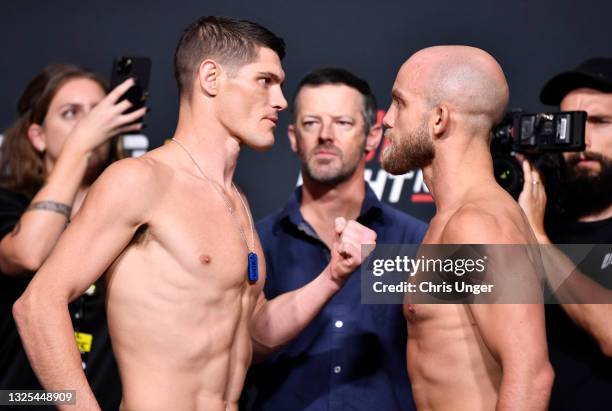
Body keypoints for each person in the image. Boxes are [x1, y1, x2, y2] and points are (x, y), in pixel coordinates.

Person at [13, 16, 376, 411]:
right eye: (265, 81)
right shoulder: (142, 180)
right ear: (211, 77)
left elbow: (253, 333)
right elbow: (37, 305)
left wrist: (331, 277)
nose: (281, 100)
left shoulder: (235, 199)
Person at [380, 45, 554, 410]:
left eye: (400, 103)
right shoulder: (449, 220)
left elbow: (532, 376)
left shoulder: (477, 224)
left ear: (439, 118)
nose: (387, 119)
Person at [243, 68, 426, 411]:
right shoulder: (257, 243)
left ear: (373, 137)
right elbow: (242, 350)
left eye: (342, 123)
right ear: (294, 137)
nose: (325, 135)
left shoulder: (417, 242)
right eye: (311, 123)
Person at [0, 63, 145, 410]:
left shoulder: (131, 214)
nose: (89, 124)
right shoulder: (8, 203)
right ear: (37, 136)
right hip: (21, 400)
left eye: (99, 113)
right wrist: (80, 146)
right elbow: (29, 253)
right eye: (71, 114)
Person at [517, 57, 612, 411]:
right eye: (568, 124)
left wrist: (539, 243)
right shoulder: (529, 216)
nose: (580, 139)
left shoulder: (537, 231)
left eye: (600, 121)